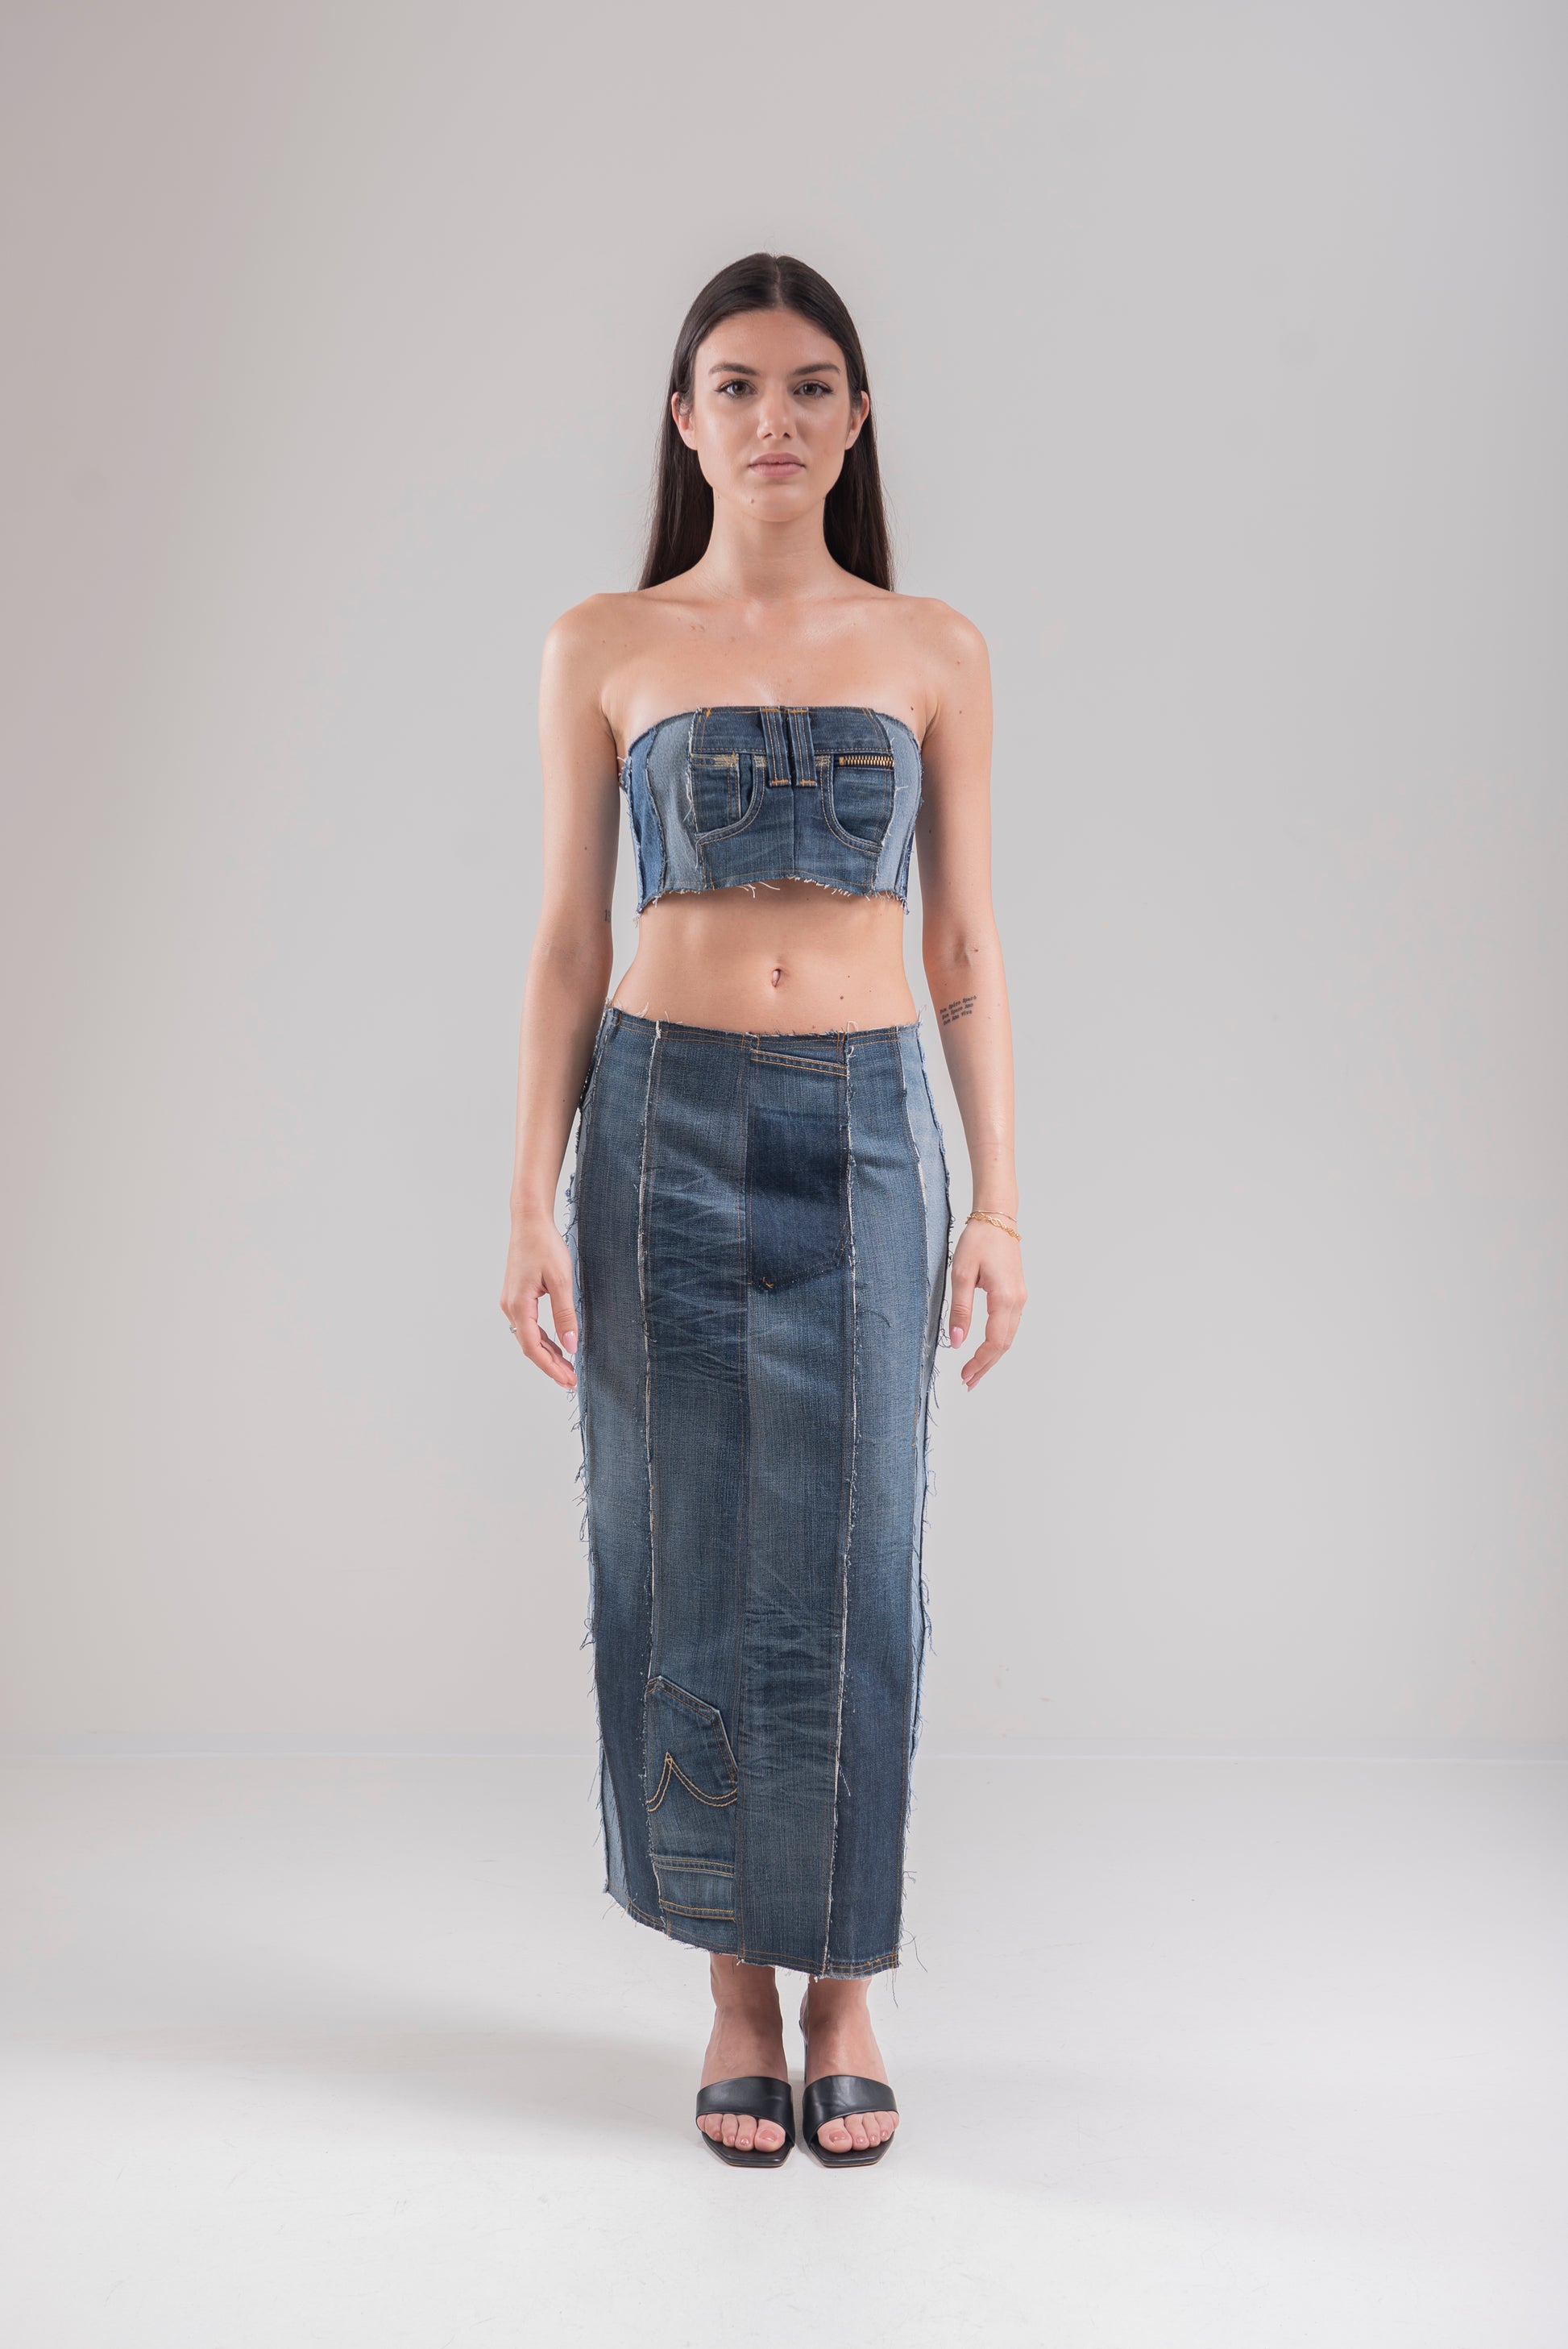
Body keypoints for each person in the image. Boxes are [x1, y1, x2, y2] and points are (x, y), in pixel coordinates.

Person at [500, 252, 1025, 2168]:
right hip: (662, 1126)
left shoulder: (933, 647)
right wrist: (527, 1195)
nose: (773, 419)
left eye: (810, 386)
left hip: (870, 1133)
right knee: (681, 1551)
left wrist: (1000, 1202)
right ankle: (733, 1989)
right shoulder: (603, 643)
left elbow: (962, 943)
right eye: (735, 385)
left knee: (860, 1565)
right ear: (685, 417)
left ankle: (845, 1989)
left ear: (855, 419)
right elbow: (571, 939)